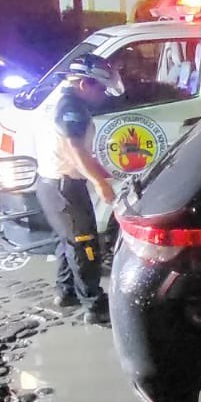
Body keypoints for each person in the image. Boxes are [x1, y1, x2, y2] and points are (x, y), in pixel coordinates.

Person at [34, 53, 123, 325]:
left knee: (68, 241)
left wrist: (104, 171)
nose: (103, 95)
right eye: (101, 88)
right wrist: (98, 182)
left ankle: (66, 292)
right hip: (65, 187)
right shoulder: (72, 108)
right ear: (85, 84)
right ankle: (95, 306)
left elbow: (76, 150)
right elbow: (75, 151)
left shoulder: (60, 101)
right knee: (85, 245)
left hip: (50, 185)